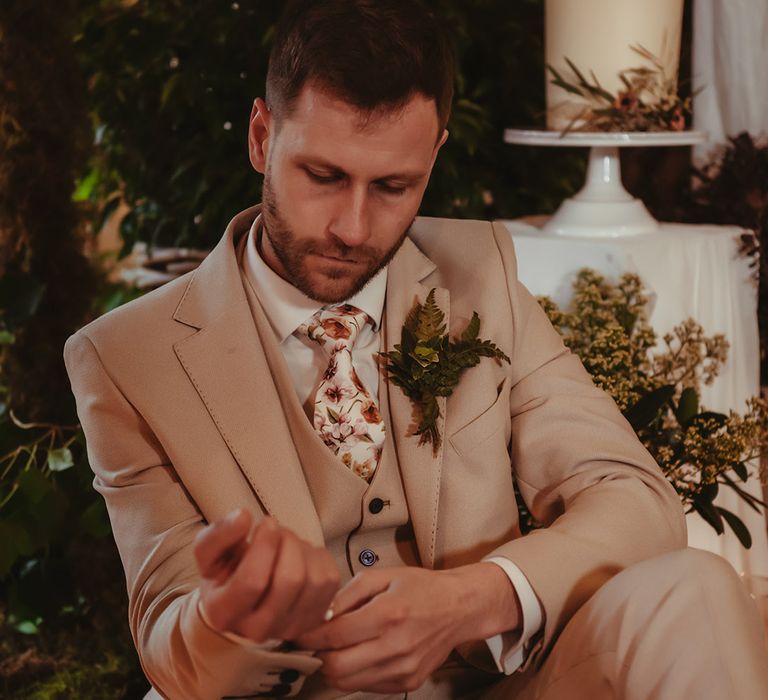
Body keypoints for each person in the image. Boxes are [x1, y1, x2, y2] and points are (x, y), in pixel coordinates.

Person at [63, 1, 768, 698]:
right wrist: (230, 614)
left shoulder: (480, 271)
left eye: (394, 186)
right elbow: (172, 654)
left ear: (434, 155)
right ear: (260, 137)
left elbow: (636, 498)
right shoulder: (128, 356)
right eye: (323, 176)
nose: (352, 226)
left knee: (695, 586)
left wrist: (473, 598)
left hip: (501, 687)